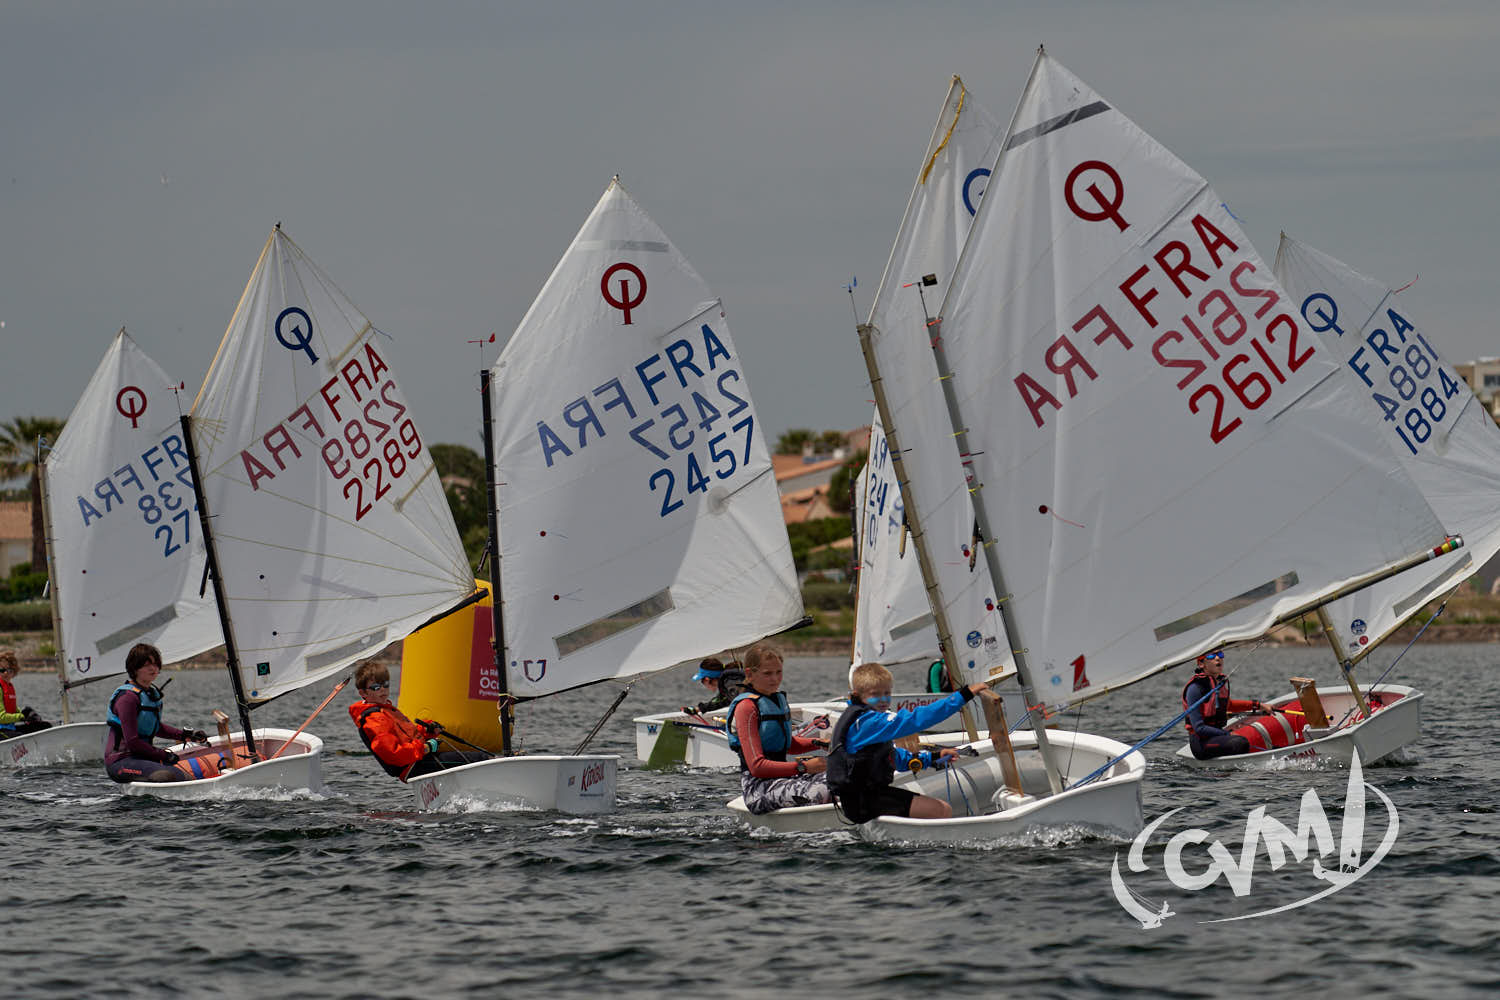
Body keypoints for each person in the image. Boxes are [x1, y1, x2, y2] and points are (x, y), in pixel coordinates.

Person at [827, 661, 987, 823]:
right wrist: (963, 695)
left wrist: (933, 757)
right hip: (864, 801)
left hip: (864, 799)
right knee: (942, 810)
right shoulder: (867, 722)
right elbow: (915, 719)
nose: (883, 699)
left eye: (887, 693)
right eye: (875, 694)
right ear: (858, 695)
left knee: (939, 808)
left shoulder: (863, 719)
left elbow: (895, 759)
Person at [726, 644, 831, 814]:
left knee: (843, 779)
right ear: (749, 674)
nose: (774, 679)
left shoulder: (777, 700)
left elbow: (787, 743)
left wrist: (819, 743)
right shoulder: (746, 707)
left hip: (784, 778)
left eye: (778, 672)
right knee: (820, 792)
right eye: (767, 674)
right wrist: (804, 767)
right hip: (758, 787)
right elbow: (757, 767)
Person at [348, 661, 490, 780]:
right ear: (363, 693)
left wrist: (427, 731)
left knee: (470, 757)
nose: (383, 690)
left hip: (417, 760)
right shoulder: (375, 719)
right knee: (479, 758)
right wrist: (426, 748)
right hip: (413, 766)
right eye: (376, 687)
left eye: (386, 684)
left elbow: (408, 737)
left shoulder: (384, 710)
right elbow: (394, 754)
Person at [104, 643, 209, 783]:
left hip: (142, 758)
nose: (153, 668)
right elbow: (133, 742)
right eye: (147, 665)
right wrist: (163, 755)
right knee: (167, 775)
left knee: (190, 774)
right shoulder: (127, 698)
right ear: (134, 669)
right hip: (121, 762)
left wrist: (186, 736)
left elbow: (155, 727)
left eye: (155, 664)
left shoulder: (150, 695)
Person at [1181, 649, 1268, 760]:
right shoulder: (1195, 688)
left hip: (1216, 736)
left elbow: (1229, 705)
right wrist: (1225, 734)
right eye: (1212, 656)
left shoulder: (1219, 683)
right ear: (1201, 663)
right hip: (1201, 743)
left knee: (1247, 739)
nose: (1218, 658)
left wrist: (1259, 705)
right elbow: (1199, 728)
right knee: (1240, 743)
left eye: (1220, 654)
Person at [0, 648, 52, 736]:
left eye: (9, 670)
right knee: (20, 737)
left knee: (45, 726)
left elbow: (13, 710)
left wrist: (27, 714)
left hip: (10, 728)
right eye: (1, 670)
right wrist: (21, 717)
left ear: (13, 672)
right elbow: (1, 717)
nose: (5, 673)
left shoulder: (9, 687)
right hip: (1, 730)